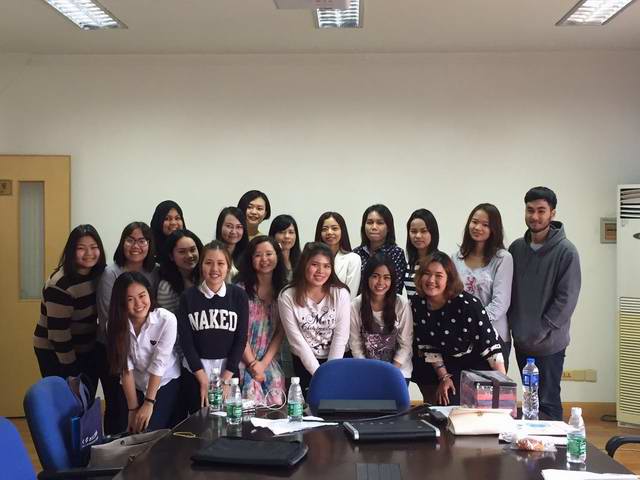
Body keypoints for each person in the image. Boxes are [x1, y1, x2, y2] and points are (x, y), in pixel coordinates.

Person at [508, 186, 581, 421]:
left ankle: (555, 445)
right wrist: (516, 328)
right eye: (530, 210)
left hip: (550, 343)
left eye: (541, 210)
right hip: (522, 341)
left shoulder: (566, 251)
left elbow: (566, 299)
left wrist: (542, 329)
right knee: (530, 400)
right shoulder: (516, 249)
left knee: (548, 403)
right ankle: (533, 443)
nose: (535, 216)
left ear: (553, 213)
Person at [411, 251, 505, 406]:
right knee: (448, 400)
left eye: (439, 275)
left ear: (449, 279)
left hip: (484, 357)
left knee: (487, 403)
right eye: (426, 274)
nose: (431, 280)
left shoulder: (467, 304)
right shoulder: (418, 303)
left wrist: (503, 388)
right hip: (452, 359)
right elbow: (428, 346)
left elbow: (490, 348)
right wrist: (444, 377)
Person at [96, 221, 159, 434]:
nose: (136, 246)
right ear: (122, 242)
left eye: (142, 240)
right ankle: (113, 448)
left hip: (147, 350)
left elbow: (156, 312)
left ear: (150, 244)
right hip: (115, 348)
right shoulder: (111, 273)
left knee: (144, 408)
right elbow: (110, 319)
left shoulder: (155, 271)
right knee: (118, 407)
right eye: (130, 240)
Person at [177, 240, 249, 413]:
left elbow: (241, 339)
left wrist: (226, 378)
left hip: (228, 371)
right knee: (199, 420)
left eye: (221, 263)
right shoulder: (188, 297)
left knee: (229, 419)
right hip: (196, 372)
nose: (214, 269)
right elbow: (186, 342)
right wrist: (202, 378)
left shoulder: (239, 296)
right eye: (208, 263)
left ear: (228, 266)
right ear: (201, 265)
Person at [33, 225, 106, 392]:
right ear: (71, 251)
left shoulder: (99, 275)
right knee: (67, 397)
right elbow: (58, 334)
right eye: (81, 248)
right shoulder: (60, 285)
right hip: (55, 350)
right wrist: (71, 371)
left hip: (86, 345)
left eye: (94, 247)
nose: (89, 253)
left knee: (86, 394)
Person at [107, 272, 181, 433]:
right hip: (134, 382)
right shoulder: (114, 324)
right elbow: (125, 368)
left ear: (149, 293)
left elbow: (159, 364)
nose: (138, 304)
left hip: (164, 381)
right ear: (121, 302)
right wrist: (133, 409)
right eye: (130, 299)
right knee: (129, 429)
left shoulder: (166, 320)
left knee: (148, 430)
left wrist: (148, 403)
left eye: (142, 296)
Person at [278, 242, 351, 391]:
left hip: (338, 360)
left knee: (337, 402)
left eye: (326, 266)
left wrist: (330, 373)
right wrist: (320, 375)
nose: (321, 271)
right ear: (304, 265)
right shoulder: (287, 296)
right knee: (310, 402)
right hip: (305, 362)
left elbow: (341, 336)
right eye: (315, 264)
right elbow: (297, 341)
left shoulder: (340, 293)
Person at [452, 203, 513, 370]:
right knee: (461, 385)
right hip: (462, 338)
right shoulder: (456, 258)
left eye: (485, 225)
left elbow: (500, 303)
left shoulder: (503, 258)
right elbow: (452, 298)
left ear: (494, 229)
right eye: (474, 222)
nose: (478, 227)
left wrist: (475, 323)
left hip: (494, 336)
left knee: (492, 386)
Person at [235, 236, 287, 405]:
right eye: (258, 255)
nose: (264, 259)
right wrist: (252, 363)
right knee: (249, 407)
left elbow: (280, 331)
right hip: (242, 360)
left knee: (276, 407)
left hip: (270, 361)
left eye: (269, 254)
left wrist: (263, 364)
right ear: (250, 259)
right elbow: (238, 331)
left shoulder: (284, 291)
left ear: (277, 256)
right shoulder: (239, 290)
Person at [350, 254, 413, 382]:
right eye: (375, 276)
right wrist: (368, 371)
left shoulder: (401, 304)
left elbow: (405, 344)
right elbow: (355, 344)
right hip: (367, 370)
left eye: (386, 277)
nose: (380, 282)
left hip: (398, 371)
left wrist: (390, 372)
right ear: (367, 278)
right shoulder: (355, 305)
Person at [354, 204, 407, 295]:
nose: (374, 227)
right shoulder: (356, 253)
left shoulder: (396, 253)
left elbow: (396, 287)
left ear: (388, 227)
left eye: (380, 223)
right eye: (370, 222)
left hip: (388, 303)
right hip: (359, 302)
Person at [315, 211, 361, 300]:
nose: (329, 232)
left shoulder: (353, 259)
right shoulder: (312, 259)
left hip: (343, 307)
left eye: (334, 228)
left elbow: (350, 295)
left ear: (342, 231)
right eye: (324, 229)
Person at [157, 229, 203, 314]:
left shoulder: (207, 276)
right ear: (171, 256)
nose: (189, 255)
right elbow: (167, 320)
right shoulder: (166, 288)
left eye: (192, 250)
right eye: (182, 252)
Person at [405, 209, 439, 298]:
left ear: (433, 233)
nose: (418, 236)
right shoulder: (410, 263)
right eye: (413, 231)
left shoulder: (440, 262)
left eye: (424, 231)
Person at [215, 207, 249, 281]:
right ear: (220, 226)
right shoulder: (211, 252)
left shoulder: (248, 256)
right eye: (229, 226)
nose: (233, 231)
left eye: (238, 227)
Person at [268, 214, 301, 281]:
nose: (287, 236)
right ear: (273, 235)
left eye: (291, 232)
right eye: (281, 232)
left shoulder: (301, 260)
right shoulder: (268, 261)